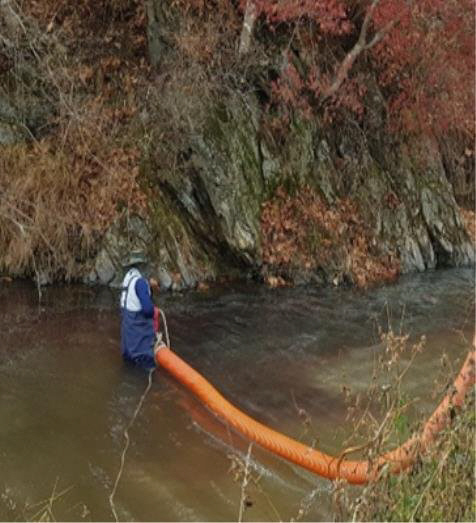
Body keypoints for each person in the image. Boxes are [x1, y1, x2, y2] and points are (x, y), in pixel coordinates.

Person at [120, 266, 162, 368]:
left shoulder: (127, 279)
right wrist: (154, 310)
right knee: (146, 373)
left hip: (127, 346)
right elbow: (148, 310)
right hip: (139, 348)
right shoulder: (141, 283)